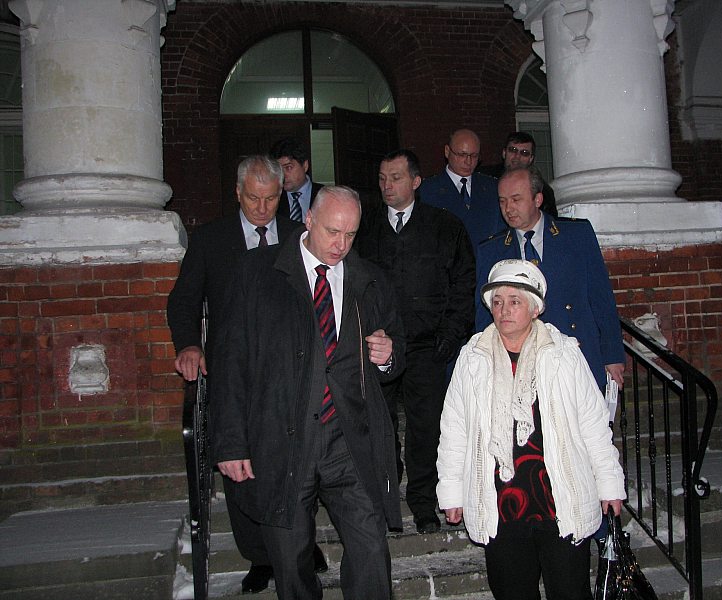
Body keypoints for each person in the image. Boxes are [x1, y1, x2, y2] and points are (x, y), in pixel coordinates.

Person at [211, 186, 405, 600]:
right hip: (283, 439)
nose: (341, 245)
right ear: (309, 220)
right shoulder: (258, 272)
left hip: (348, 439)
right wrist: (230, 441)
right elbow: (230, 361)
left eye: (350, 235)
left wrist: (388, 356)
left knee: (371, 546)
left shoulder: (368, 279)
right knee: (290, 558)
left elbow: (397, 348)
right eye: (333, 231)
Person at [166, 155, 326, 594]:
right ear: (237, 193)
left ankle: (299, 546)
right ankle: (259, 555)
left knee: (299, 463)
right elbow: (183, 300)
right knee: (240, 467)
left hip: (290, 373)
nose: (261, 208)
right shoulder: (211, 240)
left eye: (271, 198)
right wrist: (189, 344)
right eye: (253, 198)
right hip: (235, 373)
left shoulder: (300, 237)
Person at [436, 259, 626, 600]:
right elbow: (455, 430)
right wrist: (451, 491)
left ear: (535, 308)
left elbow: (594, 425)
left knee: (570, 592)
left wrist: (609, 484)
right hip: (501, 506)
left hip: (560, 502)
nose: (504, 310)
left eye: (514, 301)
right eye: (497, 302)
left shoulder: (564, 354)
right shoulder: (473, 358)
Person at [356, 149, 475, 534]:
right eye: (382, 179)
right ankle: (387, 503)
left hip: (427, 347)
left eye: (395, 178)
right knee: (381, 427)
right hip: (378, 346)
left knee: (426, 429)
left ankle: (423, 502)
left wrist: (449, 337)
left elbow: (463, 286)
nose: (387, 186)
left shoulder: (444, 226)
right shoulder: (365, 227)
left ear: (416, 181)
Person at [475, 166, 625, 392]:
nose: (508, 208)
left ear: (537, 199)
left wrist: (612, 355)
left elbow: (601, 298)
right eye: (503, 201)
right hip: (520, 364)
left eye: (516, 199)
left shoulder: (576, 235)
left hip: (577, 356)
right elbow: (484, 314)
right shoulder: (492, 250)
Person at [418, 128, 504, 251]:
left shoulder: (492, 187)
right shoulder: (427, 190)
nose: (468, 162)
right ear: (447, 151)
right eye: (462, 155)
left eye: (474, 156)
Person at [478, 131, 557, 217]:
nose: (517, 156)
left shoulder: (543, 191)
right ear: (504, 153)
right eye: (513, 150)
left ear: (531, 159)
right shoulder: (483, 178)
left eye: (524, 153)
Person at [270, 137, 324, 222]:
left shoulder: (324, 195)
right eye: (278, 169)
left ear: (305, 166)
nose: (282, 175)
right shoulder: (272, 197)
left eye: (288, 167)